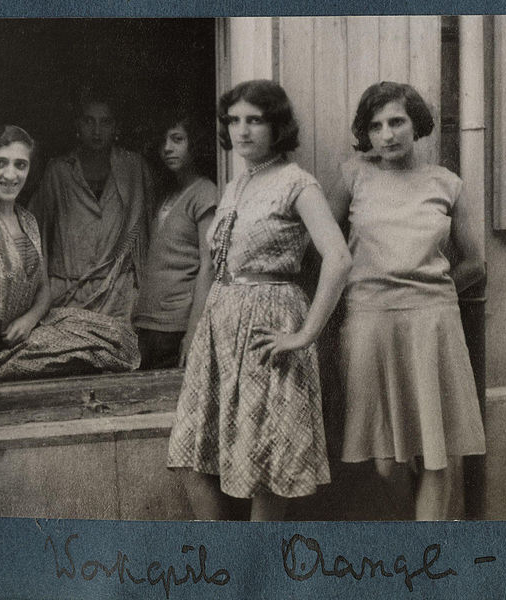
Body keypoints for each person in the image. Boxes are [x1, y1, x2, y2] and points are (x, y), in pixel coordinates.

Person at [167, 80, 352, 521]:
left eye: (255, 120)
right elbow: (215, 262)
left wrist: (305, 334)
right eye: (234, 120)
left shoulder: (296, 183)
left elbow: (339, 259)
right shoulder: (235, 185)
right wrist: (197, 331)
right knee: (195, 451)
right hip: (221, 325)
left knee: (268, 454)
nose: (242, 131)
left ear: (277, 126)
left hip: (269, 323)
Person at [331, 81, 486, 520]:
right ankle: (409, 528)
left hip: (431, 324)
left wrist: (430, 291)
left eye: (397, 121)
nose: (388, 134)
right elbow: (321, 246)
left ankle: (426, 553)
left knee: (437, 452)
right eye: (376, 126)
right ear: (366, 133)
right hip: (369, 320)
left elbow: (476, 262)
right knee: (385, 463)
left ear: (415, 123)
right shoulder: (352, 177)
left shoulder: (447, 184)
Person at [0, 125, 140, 402]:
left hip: (24, 336)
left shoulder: (27, 220)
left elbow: (44, 293)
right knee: (98, 349)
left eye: (20, 165)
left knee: (116, 335)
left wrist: (29, 320)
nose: (10, 175)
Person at [29, 90, 152, 320]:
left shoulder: (133, 167)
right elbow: (37, 232)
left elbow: (147, 231)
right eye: (89, 121)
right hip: (67, 293)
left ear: (116, 127)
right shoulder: (59, 171)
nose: (97, 131)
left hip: (118, 295)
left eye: (105, 122)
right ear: (78, 124)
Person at [133, 112, 217, 369]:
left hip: (176, 325)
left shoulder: (205, 193)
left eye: (177, 139)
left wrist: (193, 335)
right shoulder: (167, 193)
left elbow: (209, 266)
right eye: (163, 142)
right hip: (147, 323)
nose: (167, 148)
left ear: (196, 144)